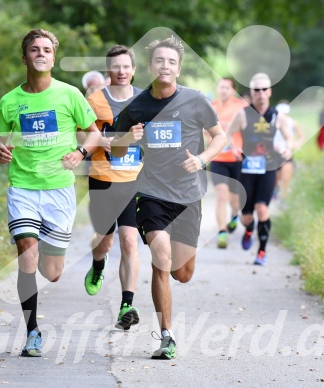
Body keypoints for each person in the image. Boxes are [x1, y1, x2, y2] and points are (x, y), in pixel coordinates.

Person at [111, 36, 226, 359]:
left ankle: (169, 320)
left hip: (189, 196)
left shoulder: (196, 100)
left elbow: (220, 137)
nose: (165, 66)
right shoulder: (137, 106)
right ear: (149, 67)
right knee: (161, 258)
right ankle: (167, 336)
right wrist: (126, 138)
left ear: (178, 68)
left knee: (182, 273)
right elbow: (115, 149)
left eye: (172, 62)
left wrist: (202, 160)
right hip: (152, 193)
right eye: (159, 61)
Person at [0, 28, 101, 357]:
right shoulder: (9, 102)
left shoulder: (69, 96)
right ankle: (32, 331)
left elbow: (94, 135)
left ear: (54, 57)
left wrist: (80, 154)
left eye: (47, 49)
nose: (40, 54)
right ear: (24, 56)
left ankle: (45, 266)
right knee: (27, 254)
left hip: (59, 192)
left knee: (51, 273)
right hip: (23, 188)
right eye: (34, 49)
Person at [83, 44, 143, 331]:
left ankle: (126, 304)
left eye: (126, 66)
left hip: (134, 180)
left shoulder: (146, 99)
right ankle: (98, 264)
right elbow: (80, 131)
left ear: (133, 70)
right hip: (102, 177)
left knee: (130, 241)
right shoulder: (94, 100)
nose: (121, 71)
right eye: (116, 67)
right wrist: (98, 140)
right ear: (109, 70)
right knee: (104, 241)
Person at [227, 73, 293, 265]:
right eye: (257, 90)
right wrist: (234, 149)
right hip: (246, 169)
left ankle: (262, 252)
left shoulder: (276, 117)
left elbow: (289, 138)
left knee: (262, 208)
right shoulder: (242, 114)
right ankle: (249, 229)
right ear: (252, 92)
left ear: (270, 91)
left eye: (264, 89)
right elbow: (228, 134)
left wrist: (287, 148)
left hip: (268, 168)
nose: (261, 93)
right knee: (246, 216)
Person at [208, 78, 248, 249]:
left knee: (235, 200)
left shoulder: (242, 107)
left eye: (227, 88)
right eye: (221, 87)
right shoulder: (210, 107)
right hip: (217, 159)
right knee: (221, 195)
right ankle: (222, 233)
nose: (223, 90)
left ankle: (234, 215)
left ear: (233, 90)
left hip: (237, 158)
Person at [273, 100, 305, 205]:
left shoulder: (293, 123)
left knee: (286, 177)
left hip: (287, 153)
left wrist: (295, 145)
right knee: (276, 177)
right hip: (274, 153)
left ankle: (283, 198)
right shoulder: (273, 122)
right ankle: (275, 191)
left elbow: (301, 137)